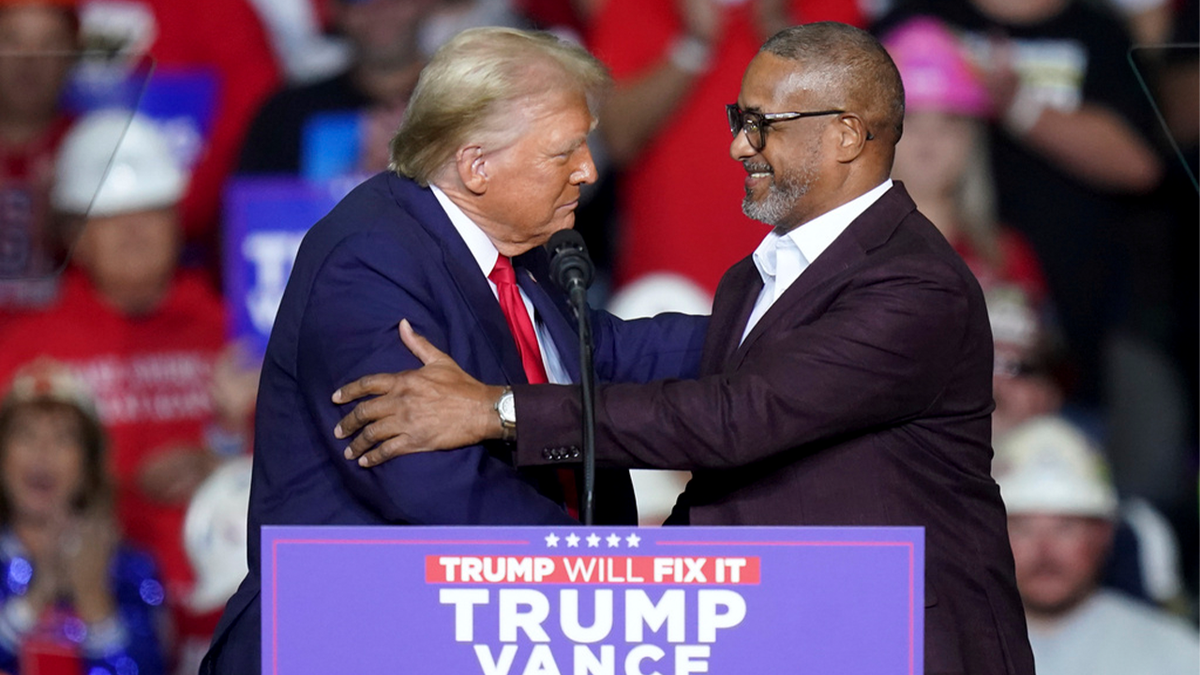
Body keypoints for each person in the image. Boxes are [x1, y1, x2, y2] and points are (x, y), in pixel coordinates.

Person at [337, 22, 1036, 674]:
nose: (738, 146)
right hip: (798, 630)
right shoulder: (760, 274)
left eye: (761, 124)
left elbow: (735, 420)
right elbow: (728, 480)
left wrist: (497, 411)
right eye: (739, 119)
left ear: (847, 134)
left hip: (906, 641)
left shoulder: (914, 283)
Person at [200, 27, 707, 673]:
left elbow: (604, 350)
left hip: (474, 628)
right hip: (347, 641)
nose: (588, 168)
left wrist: (774, 324)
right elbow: (434, 486)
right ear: (476, 166)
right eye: (565, 150)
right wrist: (606, 575)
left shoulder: (519, 243)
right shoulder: (369, 259)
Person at [0, 110, 258, 670]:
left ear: (179, 221)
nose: (135, 231)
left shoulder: (235, 328)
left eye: (152, 211)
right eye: (110, 216)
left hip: (238, 617)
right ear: (72, 233)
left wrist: (220, 457)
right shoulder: (22, 348)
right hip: (83, 619)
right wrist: (120, 486)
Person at [994, 416, 1199, 675]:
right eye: (1023, 529)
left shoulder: (1177, 656)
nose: (1044, 549)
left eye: (1066, 527)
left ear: (1104, 534)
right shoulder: (952, 647)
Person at [0, 360, 166, 674]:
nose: (42, 452)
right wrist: (35, 598)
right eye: (25, 435)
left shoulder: (131, 568)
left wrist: (92, 596)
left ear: (89, 466)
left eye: (64, 438)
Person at [237, 0, 437, 176]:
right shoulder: (286, 115)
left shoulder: (455, 104)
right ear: (334, 8)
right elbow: (254, 200)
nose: (380, 8)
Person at [0, 0, 78, 310]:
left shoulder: (90, 145)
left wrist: (70, 225)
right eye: (11, 40)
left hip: (67, 330)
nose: (29, 59)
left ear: (72, 54)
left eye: (50, 44)